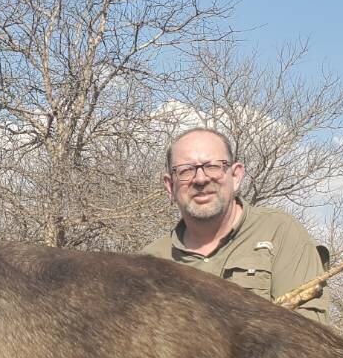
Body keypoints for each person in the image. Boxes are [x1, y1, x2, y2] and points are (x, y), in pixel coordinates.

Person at [142, 128, 331, 324]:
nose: (200, 179)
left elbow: (308, 339)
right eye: (186, 170)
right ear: (170, 186)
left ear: (236, 175)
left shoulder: (280, 232)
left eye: (213, 166)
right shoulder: (147, 263)